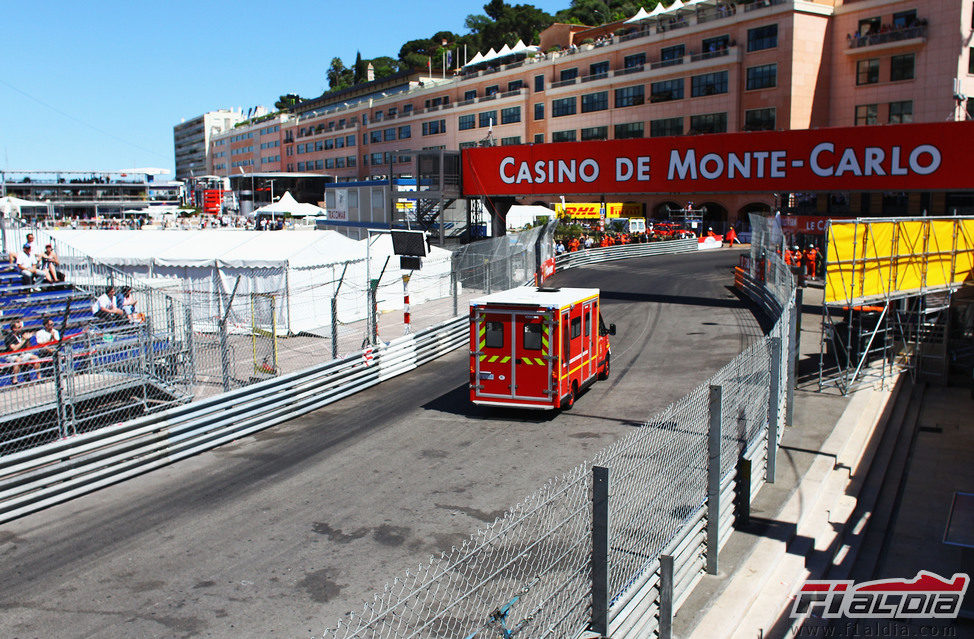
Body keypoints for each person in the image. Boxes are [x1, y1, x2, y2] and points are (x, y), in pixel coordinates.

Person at [2, 319, 40, 384]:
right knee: (18, 360)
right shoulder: (9, 337)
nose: (21, 328)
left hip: (22, 354)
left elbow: (28, 347)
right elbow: (14, 349)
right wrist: (24, 340)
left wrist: (27, 340)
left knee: (35, 357)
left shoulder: (21, 335)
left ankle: (39, 377)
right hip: (11, 355)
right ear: (14, 329)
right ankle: (15, 379)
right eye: (19, 327)